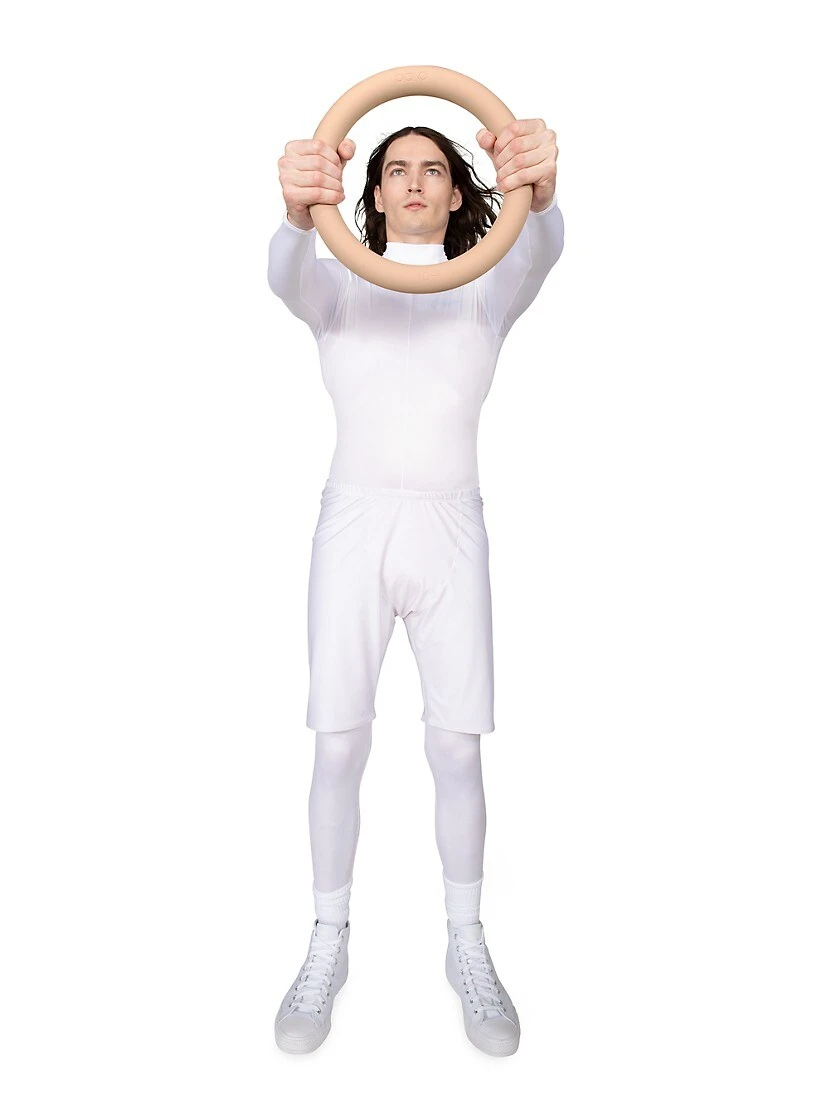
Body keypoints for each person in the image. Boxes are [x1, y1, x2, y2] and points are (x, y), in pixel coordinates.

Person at [267, 121, 564, 1056]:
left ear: (456, 191)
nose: (414, 183)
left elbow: (543, 248)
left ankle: (465, 939)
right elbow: (282, 273)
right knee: (338, 744)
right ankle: (328, 937)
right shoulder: (338, 285)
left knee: (457, 750)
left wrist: (542, 192)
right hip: (354, 527)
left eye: (433, 169)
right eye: (395, 169)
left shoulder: (485, 286)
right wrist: (295, 213)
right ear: (373, 192)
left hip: (450, 532)